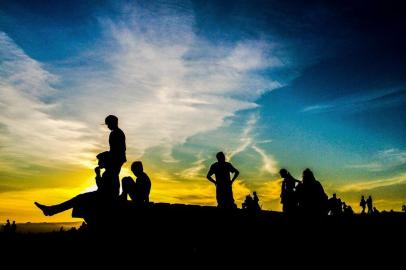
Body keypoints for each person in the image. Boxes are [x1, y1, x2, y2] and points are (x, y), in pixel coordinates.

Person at [34, 151, 119, 216]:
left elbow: (103, 188)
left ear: (105, 161)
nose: (98, 163)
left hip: (105, 197)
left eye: (100, 161)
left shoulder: (109, 173)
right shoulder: (110, 172)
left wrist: (97, 175)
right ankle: (51, 210)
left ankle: (51, 210)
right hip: (103, 195)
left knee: (78, 199)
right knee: (78, 198)